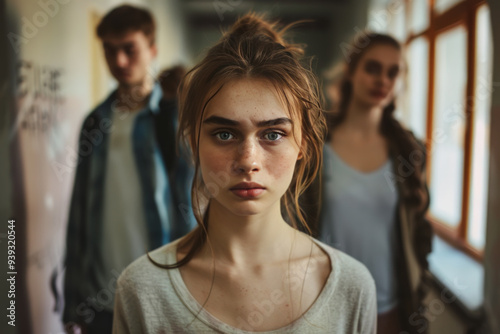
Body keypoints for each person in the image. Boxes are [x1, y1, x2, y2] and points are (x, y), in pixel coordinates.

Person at [112, 14, 377, 334]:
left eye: (273, 134)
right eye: (224, 134)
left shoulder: (351, 287)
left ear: (303, 144)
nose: (248, 160)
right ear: (193, 142)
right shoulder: (142, 290)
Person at [62, 5, 194, 333]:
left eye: (129, 49)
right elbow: (78, 212)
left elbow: (193, 206)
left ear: (152, 50)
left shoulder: (174, 119)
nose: (119, 61)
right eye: (109, 50)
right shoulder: (95, 122)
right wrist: (73, 297)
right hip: (100, 299)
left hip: (163, 294)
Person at [310, 33, 433, 334]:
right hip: (323, 302)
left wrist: (419, 287)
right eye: (373, 68)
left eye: (393, 72)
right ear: (351, 71)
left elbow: (419, 233)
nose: (383, 80)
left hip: (388, 305)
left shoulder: (409, 151)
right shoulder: (314, 143)